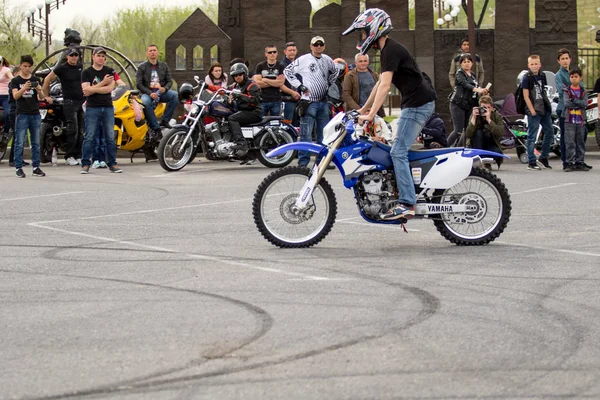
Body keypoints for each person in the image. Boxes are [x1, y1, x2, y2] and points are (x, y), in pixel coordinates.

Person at [344, 8, 436, 220]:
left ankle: (407, 203)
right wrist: (363, 110)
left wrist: (371, 115)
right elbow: (379, 84)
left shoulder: (391, 50)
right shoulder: (388, 50)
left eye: (364, 32)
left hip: (418, 105)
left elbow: (385, 86)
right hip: (415, 103)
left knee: (398, 152)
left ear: (375, 29)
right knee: (395, 149)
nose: (363, 37)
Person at [283, 35, 338, 167]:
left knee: (323, 134)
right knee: (306, 134)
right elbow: (287, 71)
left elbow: (335, 71)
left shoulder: (328, 59)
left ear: (324, 46)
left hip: (323, 102)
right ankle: (303, 162)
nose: (318, 47)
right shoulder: (304, 59)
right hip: (309, 102)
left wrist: (329, 84)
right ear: (311, 46)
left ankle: (321, 162)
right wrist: (299, 86)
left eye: (321, 44)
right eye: (316, 44)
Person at [80, 47, 121, 174]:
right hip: (92, 107)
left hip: (107, 106)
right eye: (99, 56)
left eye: (103, 56)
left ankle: (112, 163)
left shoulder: (109, 71)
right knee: (89, 136)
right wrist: (102, 82)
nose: (101, 58)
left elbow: (109, 89)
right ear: (93, 57)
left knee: (109, 136)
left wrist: (93, 89)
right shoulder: (86, 72)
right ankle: (86, 163)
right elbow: (85, 91)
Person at [42, 47, 84, 166]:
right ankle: (69, 155)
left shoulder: (80, 67)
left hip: (80, 101)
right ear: (67, 57)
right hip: (69, 102)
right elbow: (47, 80)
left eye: (76, 55)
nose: (74, 57)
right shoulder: (62, 68)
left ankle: (78, 155)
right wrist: (47, 96)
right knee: (73, 129)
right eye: (72, 55)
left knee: (81, 130)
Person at [11, 55, 46, 178]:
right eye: (24, 66)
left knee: (36, 142)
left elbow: (41, 98)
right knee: (19, 142)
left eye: (29, 67)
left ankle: (36, 166)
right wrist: (24, 88)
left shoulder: (35, 79)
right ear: (20, 66)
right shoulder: (16, 81)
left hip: (34, 113)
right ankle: (18, 167)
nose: (27, 69)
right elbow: (15, 96)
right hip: (22, 113)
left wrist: (39, 90)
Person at [135, 44, 178, 138]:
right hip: (148, 92)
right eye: (150, 51)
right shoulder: (142, 67)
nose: (152, 52)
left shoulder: (164, 66)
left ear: (157, 52)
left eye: (154, 50)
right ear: (147, 53)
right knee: (145, 102)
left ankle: (165, 121)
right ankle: (156, 128)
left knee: (175, 95)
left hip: (161, 92)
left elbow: (169, 81)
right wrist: (150, 93)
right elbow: (138, 84)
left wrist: (165, 88)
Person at [448, 53, 488, 147]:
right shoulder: (460, 73)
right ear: (461, 64)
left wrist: (483, 91)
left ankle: (461, 148)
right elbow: (466, 85)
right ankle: (444, 147)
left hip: (469, 104)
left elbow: (476, 88)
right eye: (464, 62)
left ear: (472, 63)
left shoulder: (473, 75)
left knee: (468, 130)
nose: (467, 64)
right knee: (458, 130)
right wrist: (478, 89)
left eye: (468, 61)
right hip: (458, 104)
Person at [522, 54, 553, 171]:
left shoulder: (542, 75)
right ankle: (531, 160)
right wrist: (532, 110)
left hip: (543, 108)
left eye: (536, 64)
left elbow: (543, 91)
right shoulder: (527, 78)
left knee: (549, 132)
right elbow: (526, 96)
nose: (534, 66)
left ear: (540, 64)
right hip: (534, 110)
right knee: (532, 135)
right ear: (528, 65)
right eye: (532, 64)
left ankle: (543, 157)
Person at [228, 63, 262, 154]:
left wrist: (240, 96)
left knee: (232, 118)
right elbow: (222, 90)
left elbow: (255, 100)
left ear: (245, 74)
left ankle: (241, 142)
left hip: (254, 112)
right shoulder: (234, 86)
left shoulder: (252, 85)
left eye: (240, 74)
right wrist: (207, 87)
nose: (237, 77)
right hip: (243, 111)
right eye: (235, 75)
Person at [465, 95, 504, 169]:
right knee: (478, 132)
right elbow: (468, 135)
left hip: (490, 145)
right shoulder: (475, 115)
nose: (485, 110)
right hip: (476, 145)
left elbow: (500, 133)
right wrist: (473, 118)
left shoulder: (497, 116)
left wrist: (489, 120)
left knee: (497, 152)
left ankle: (485, 161)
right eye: (483, 107)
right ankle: (479, 161)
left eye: (488, 107)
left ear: (492, 108)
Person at [562, 68, 589, 172]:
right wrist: (578, 103)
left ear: (580, 78)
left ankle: (580, 162)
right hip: (569, 120)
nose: (574, 79)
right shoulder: (566, 90)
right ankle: (569, 162)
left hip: (580, 120)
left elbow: (585, 104)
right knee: (570, 142)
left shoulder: (583, 91)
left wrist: (573, 100)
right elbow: (566, 103)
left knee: (580, 141)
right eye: (572, 77)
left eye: (576, 77)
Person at [342, 53, 384, 117]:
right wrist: (360, 109)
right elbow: (346, 95)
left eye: (365, 61)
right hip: (357, 112)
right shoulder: (349, 76)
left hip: (374, 111)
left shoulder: (374, 75)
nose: (363, 63)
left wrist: (373, 108)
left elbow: (380, 91)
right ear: (356, 62)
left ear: (368, 62)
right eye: (360, 61)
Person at [253, 45, 285, 117]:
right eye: (270, 52)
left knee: (276, 123)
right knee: (260, 121)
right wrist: (274, 81)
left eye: (274, 52)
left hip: (276, 99)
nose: (272, 54)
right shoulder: (260, 66)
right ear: (266, 54)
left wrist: (265, 79)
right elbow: (257, 83)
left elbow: (280, 82)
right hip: (262, 99)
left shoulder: (281, 65)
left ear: (277, 53)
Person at [280, 42, 300, 125]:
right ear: (285, 52)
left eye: (293, 50)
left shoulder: (299, 64)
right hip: (287, 100)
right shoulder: (281, 65)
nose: (292, 52)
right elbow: (280, 84)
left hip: (299, 100)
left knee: (297, 125)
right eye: (290, 50)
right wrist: (292, 93)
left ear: (296, 51)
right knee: (287, 125)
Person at [0, 56, 14, 138]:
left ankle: (6, 133)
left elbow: (12, 78)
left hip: (5, 96)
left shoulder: (6, 70)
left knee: (8, 113)